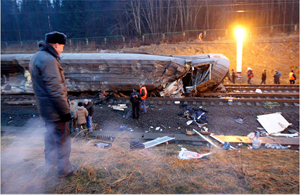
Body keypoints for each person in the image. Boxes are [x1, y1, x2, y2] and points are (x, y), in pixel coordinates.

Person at [29, 31, 78, 178]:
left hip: (45, 109)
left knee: (50, 137)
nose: (62, 49)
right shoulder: (49, 60)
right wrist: (65, 112)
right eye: (62, 46)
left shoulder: (37, 57)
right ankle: (64, 170)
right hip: (55, 110)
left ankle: (50, 165)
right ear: (56, 44)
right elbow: (56, 90)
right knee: (63, 140)